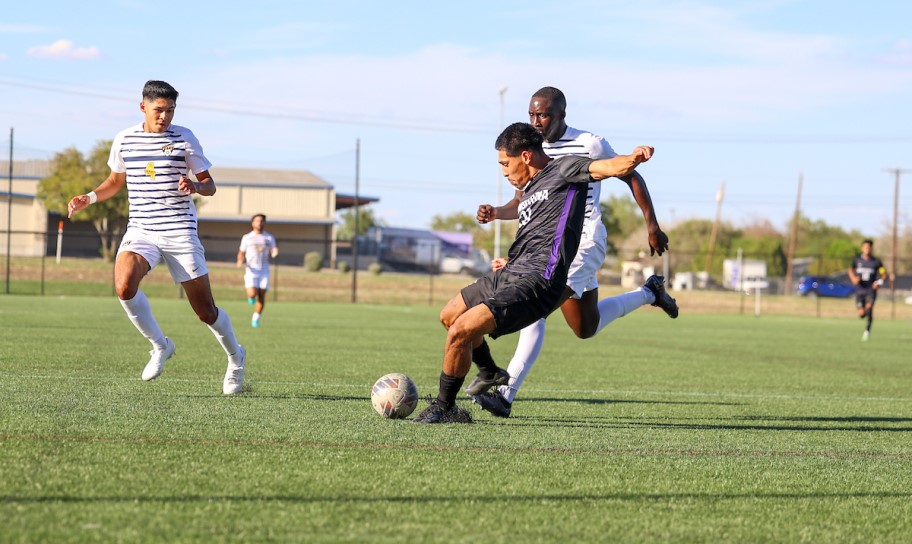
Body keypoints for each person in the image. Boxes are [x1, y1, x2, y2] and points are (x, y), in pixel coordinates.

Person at [412, 122, 654, 423]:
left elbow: (609, 167)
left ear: (525, 156)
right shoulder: (528, 189)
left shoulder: (566, 169)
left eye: (505, 163)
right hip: (513, 271)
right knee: (449, 316)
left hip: (539, 280)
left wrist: (634, 157)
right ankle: (489, 370)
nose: (503, 171)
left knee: (463, 330)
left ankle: (444, 408)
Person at [468, 87, 677, 418]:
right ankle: (650, 293)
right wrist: (496, 211)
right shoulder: (531, 150)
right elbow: (528, 199)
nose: (536, 121)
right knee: (585, 327)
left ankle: (506, 395)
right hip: (550, 243)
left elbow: (628, 174)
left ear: (561, 115)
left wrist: (652, 225)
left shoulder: (589, 144)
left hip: (584, 239)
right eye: (532, 114)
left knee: (536, 307)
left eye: (543, 115)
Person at [67, 80, 247, 395]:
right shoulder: (124, 139)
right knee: (123, 286)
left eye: (170, 110)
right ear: (143, 107)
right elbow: (114, 180)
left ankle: (236, 358)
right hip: (141, 228)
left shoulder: (184, 138)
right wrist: (90, 198)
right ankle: (160, 345)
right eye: (158, 110)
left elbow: (209, 184)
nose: (164, 116)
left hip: (179, 229)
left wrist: (195, 186)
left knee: (205, 311)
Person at [237, 213, 279, 327]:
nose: (259, 223)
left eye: (261, 221)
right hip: (251, 270)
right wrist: (240, 260)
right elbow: (241, 252)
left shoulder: (269, 237)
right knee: (252, 294)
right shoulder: (247, 237)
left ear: (264, 223)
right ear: (252, 223)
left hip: (264, 270)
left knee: (262, 296)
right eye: (257, 221)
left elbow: (273, 249)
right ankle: (251, 297)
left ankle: (256, 318)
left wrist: (275, 252)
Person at [848, 239, 888, 341]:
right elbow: (850, 270)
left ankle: (867, 332)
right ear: (862, 248)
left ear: (871, 248)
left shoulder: (876, 262)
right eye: (865, 247)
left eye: (869, 247)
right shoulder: (857, 260)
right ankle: (864, 312)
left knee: (869, 309)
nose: (867, 249)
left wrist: (878, 283)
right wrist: (853, 279)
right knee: (862, 314)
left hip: (871, 290)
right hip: (860, 290)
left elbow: (884, 275)